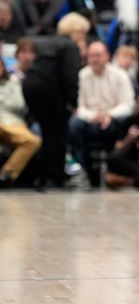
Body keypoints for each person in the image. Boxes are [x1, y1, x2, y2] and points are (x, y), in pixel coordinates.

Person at [22, 12, 87, 189]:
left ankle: (40, 177)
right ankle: (55, 178)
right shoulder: (70, 46)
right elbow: (70, 76)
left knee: (46, 132)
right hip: (48, 90)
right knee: (58, 134)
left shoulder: (46, 42)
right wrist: (72, 102)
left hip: (31, 87)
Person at [69, 41, 135, 185]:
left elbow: (128, 105)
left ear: (107, 56)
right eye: (91, 56)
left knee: (125, 120)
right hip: (91, 120)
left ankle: (116, 169)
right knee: (74, 124)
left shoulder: (120, 74)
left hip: (114, 118)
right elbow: (80, 106)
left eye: (98, 55)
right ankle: (82, 169)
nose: (95, 59)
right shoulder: (83, 75)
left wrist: (109, 115)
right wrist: (93, 117)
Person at [0, 57, 41, 187]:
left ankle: (6, 174)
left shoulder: (13, 81)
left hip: (12, 122)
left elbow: (19, 104)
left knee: (32, 141)